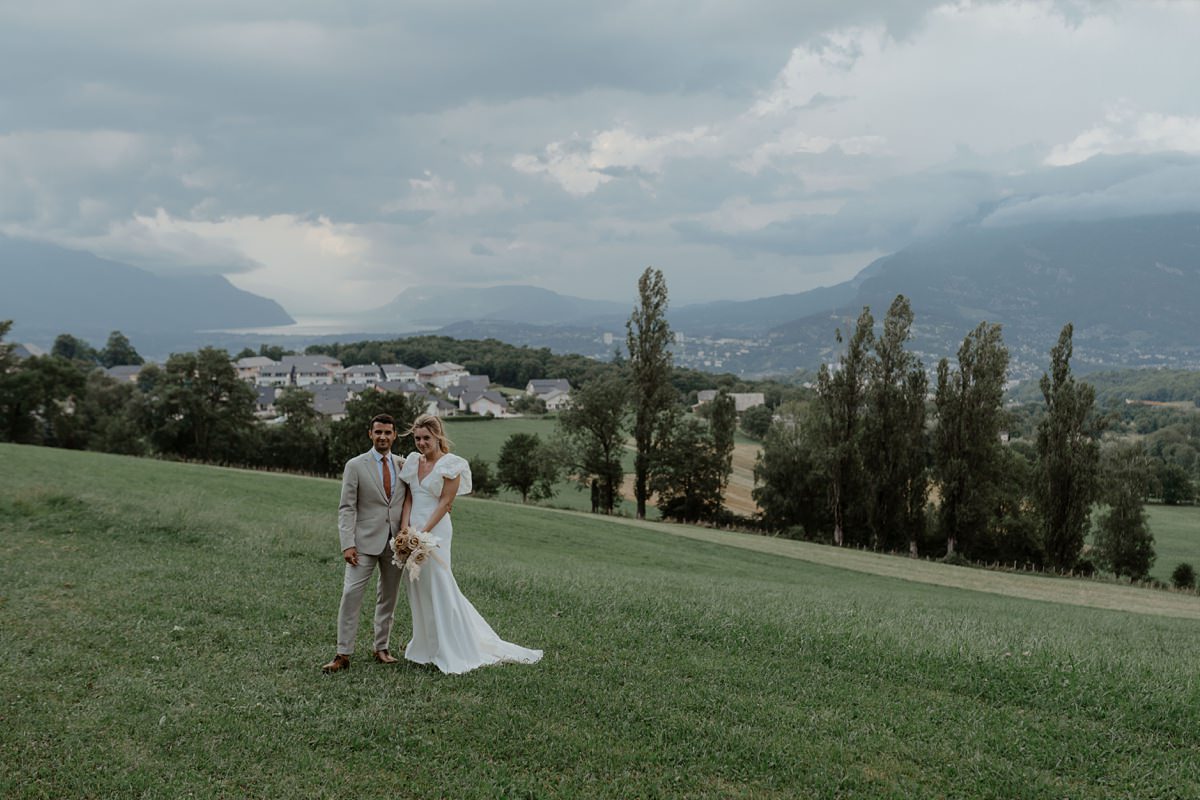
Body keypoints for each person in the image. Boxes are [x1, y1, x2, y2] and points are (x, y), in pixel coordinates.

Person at [398, 414, 542, 674]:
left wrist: (422, 534)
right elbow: (409, 498)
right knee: (417, 585)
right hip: (412, 529)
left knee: (439, 583)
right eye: (417, 438)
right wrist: (405, 532)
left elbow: (445, 503)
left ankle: (452, 646)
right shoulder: (412, 462)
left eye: (426, 438)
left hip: (436, 531)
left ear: (438, 436)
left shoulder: (451, 464)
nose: (421, 443)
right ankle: (426, 645)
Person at [322, 413, 411, 673]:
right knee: (351, 594)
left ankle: (381, 647)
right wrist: (347, 543)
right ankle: (342, 654)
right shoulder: (355, 465)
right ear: (370, 434)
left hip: (395, 544)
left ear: (394, 435)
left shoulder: (404, 465)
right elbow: (347, 507)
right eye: (378, 432)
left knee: (389, 597)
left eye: (387, 432)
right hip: (362, 543)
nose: (383, 436)